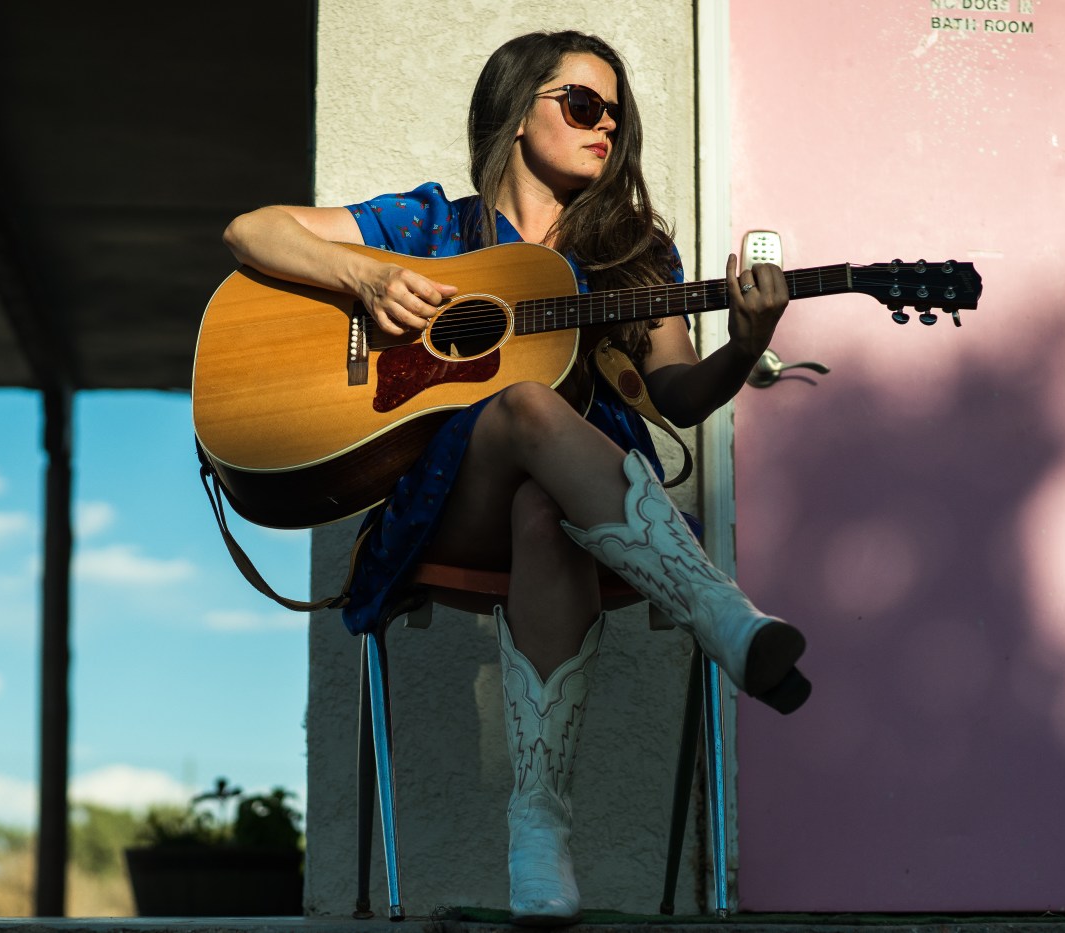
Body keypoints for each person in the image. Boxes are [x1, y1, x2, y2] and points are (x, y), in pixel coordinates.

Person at [223, 29, 809, 925]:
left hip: (576, 508)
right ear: (517, 108)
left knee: (544, 508)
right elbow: (250, 230)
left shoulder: (630, 251)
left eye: (616, 115)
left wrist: (746, 343)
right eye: (583, 104)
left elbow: (680, 394)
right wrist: (368, 277)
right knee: (529, 404)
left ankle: (538, 828)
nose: (606, 126)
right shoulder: (433, 227)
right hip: (448, 499)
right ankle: (722, 615)